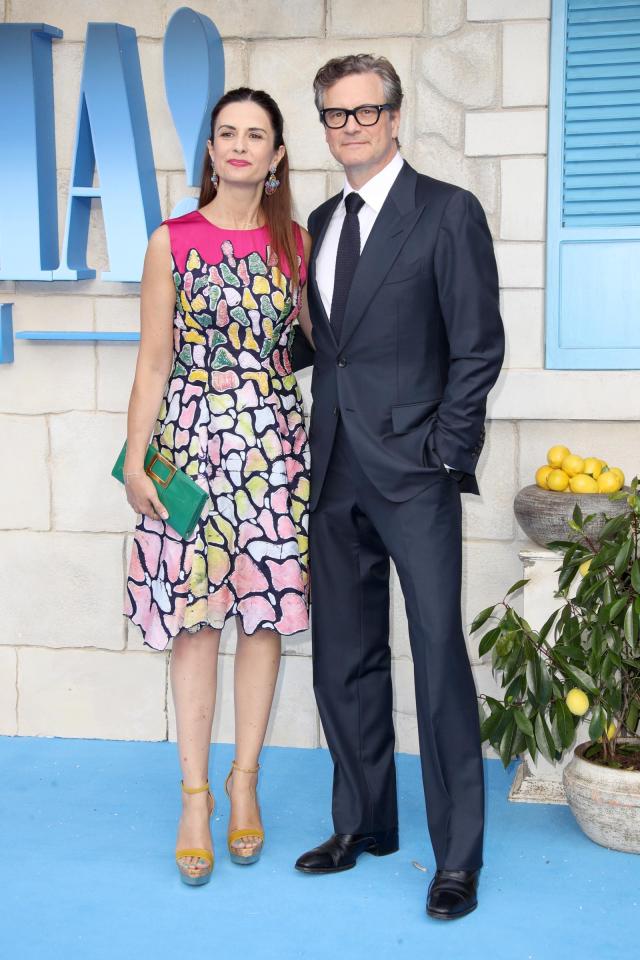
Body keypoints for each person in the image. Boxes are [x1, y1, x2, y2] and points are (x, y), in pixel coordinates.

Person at [293, 54, 504, 920]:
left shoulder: (447, 212)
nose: (350, 127)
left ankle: (458, 856)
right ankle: (365, 824)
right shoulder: (317, 220)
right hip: (334, 463)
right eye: (335, 115)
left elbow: (477, 346)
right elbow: (329, 343)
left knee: (439, 657)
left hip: (414, 475)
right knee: (344, 658)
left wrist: (444, 453)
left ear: (394, 114)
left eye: (364, 111)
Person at [122, 87, 312, 886]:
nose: (238, 145)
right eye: (226, 133)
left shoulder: (298, 245)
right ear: (210, 150)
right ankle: (195, 795)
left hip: (273, 453)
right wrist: (136, 459)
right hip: (190, 452)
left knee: (262, 621)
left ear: (274, 158)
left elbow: (321, 349)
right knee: (195, 625)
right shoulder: (171, 242)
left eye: (255, 135)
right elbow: (153, 362)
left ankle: (245, 786)